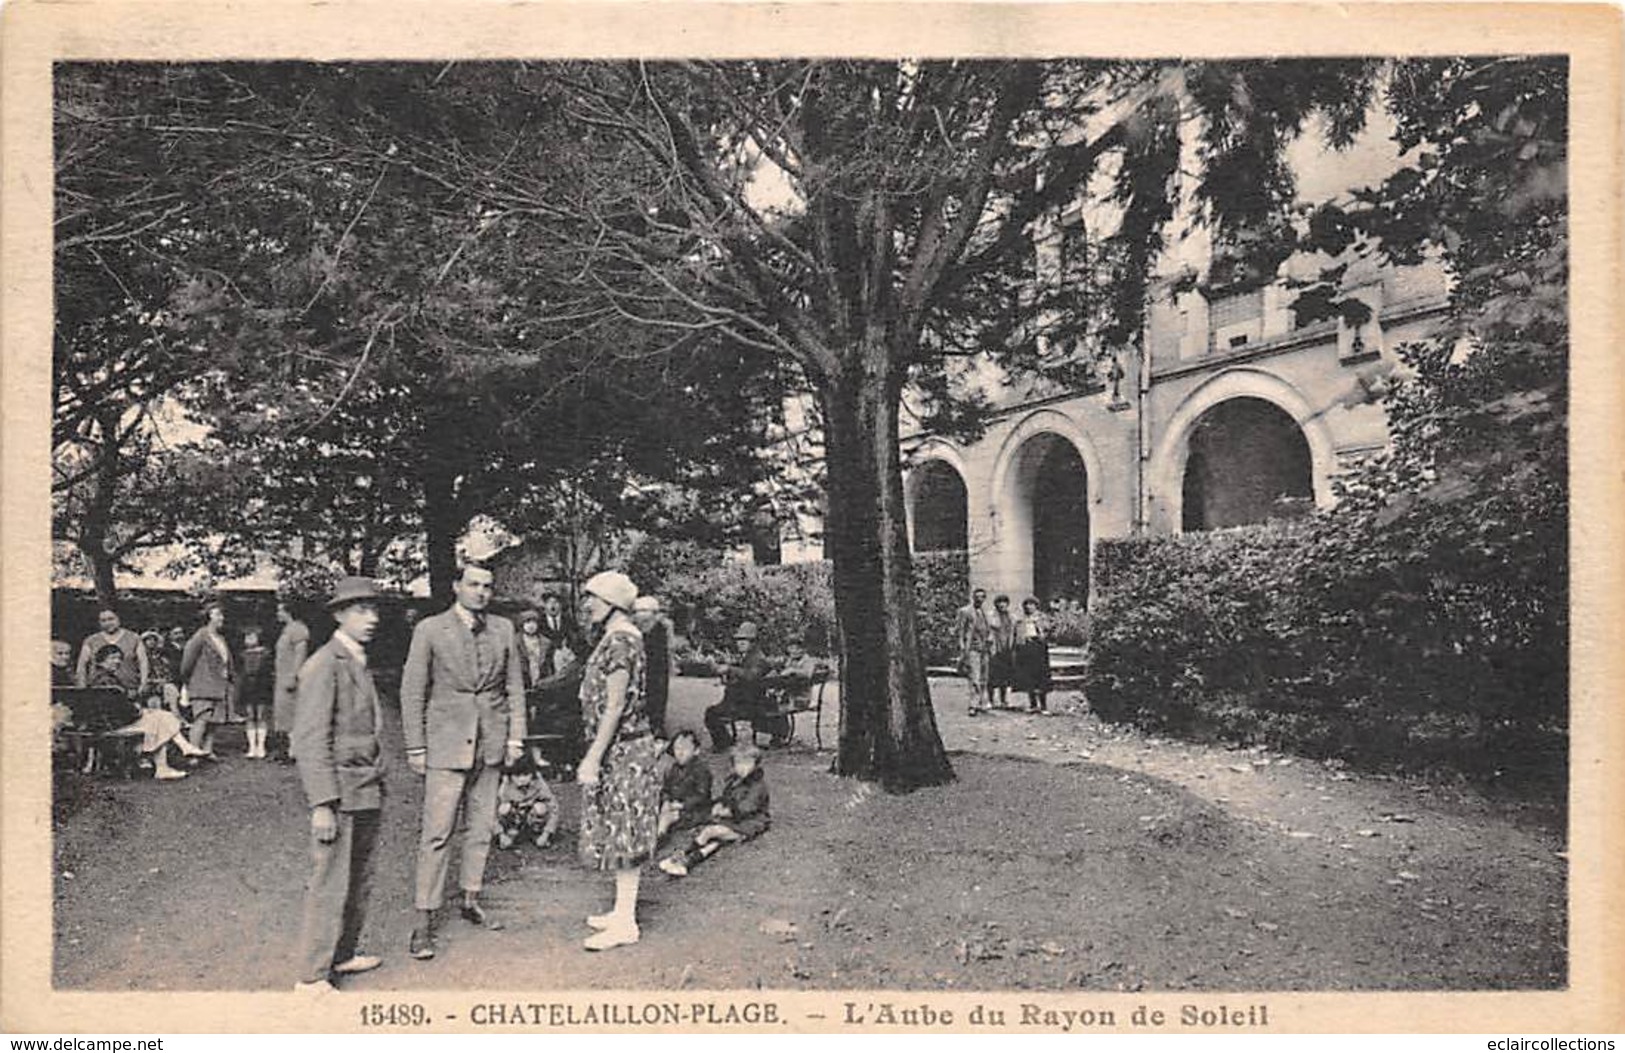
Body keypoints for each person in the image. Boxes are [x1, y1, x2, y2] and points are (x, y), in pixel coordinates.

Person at [400, 561, 526, 961]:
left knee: (481, 827)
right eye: (473, 584)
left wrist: (515, 736)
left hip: (490, 742)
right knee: (437, 833)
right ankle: (424, 920)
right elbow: (412, 691)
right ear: (456, 586)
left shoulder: (504, 629)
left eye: (487, 585)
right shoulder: (430, 630)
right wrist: (416, 746)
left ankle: (471, 898)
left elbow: (515, 687)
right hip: (445, 745)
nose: (481, 592)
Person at [292, 576, 388, 993]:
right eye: (360, 610)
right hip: (340, 792)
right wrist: (323, 803)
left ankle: (343, 954)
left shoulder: (355, 659)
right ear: (338, 615)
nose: (371, 619)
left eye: (374, 609)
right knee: (330, 882)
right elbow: (310, 738)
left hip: (366, 785)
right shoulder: (323, 665)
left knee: (358, 877)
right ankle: (312, 977)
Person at [575, 570, 661, 951]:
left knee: (626, 830)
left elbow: (615, 705)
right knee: (618, 828)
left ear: (611, 603)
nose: (587, 604)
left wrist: (592, 758)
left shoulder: (622, 641)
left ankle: (626, 923)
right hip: (620, 748)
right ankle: (621, 910)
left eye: (593, 597)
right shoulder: (615, 637)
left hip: (626, 749)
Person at [85, 643, 206, 779]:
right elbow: (120, 709)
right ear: (102, 660)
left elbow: (117, 706)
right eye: (112, 658)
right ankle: (170, 759)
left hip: (108, 722)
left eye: (119, 658)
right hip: (114, 724)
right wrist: (139, 712)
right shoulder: (106, 681)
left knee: (161, 718)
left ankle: (176, 754)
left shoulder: (97, 677)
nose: (117, 661)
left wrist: (139, 710)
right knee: (161, 719)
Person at [657, 742, 770, 878]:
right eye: (739, 763)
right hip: (735, 820)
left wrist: (727, 811)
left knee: (712, 832)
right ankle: (684, 857)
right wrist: (720, 803)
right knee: (711, 838)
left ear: (755, 764)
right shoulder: (734, 781)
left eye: (747, 763)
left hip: (750, 822)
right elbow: (727, 797)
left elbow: (747, 807)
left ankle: (687, 860)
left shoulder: (758, 786)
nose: (742, 768)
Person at [702, 622, 772, 752]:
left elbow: (751, 676)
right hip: (742, 701)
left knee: (711, 713)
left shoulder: (759, 659)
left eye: (744, 641)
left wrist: (730, 669)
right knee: (713, 711)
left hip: (749, 704)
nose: (740, 643)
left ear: (754, 642)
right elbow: (741, 674)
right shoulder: (750, 657)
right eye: (739, 640)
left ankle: (723, 744)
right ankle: (725, 742)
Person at [179, 601, 236, 758]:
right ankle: (192, 752)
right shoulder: (200, 637)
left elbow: (226, 661)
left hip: (220, 685)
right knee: (201, 719)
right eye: (218, 614)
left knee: (214, 721)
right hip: (203, 685)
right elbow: (187, 662)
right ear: (209, 616)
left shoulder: (221, 638)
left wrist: (230, 678)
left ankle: (207, 750)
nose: (221, 618)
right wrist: (189, 681)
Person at [76, 607, 149, 697]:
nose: (108, 623)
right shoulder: (91, 640)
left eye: (111, 619)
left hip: (129, 689)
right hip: (98, 690)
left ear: (118, 619)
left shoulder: (134, 638)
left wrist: (143, 683)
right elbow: (82, 665)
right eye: (103, 620)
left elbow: (143, 662)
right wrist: (82, 689)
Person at [272, 599, 312, 765]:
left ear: (289, 611)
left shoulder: (299, 630)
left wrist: (294, 676)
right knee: (283, 715)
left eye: (280, 610)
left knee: (292, 715)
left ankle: (294, 752)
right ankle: (287, 750)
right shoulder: (287, 630)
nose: (278, 613)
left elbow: (300, 655)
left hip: (291, 678)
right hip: (282, 677)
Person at [494, 754, 559, 850]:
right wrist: (500, 834)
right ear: (510, 775)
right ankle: (510, 833)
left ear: (532, 774)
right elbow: (491, 813)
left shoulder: (538, 783)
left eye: (526, 775)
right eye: (517, 775)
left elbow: (554, 808)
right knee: (504, 808)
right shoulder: (505, 786)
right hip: (514, 819)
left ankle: (536, 833)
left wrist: (546, 833)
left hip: (532, 819)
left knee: (540, 807)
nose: (522, 779)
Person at [657, 730, 712, 840]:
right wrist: (667, 801)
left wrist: (682, 805)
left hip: (695, 810)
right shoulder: (674, 768)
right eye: (677, 748)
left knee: (666, 818)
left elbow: (702, 795)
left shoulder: (701, 770)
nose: (680, 753)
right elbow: (666, 788)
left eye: (685, 749)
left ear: (696, 751)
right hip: (674, 805)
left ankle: (658, 839)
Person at [630, 596, 673, 737]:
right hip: (646, 667)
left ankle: (656, 727)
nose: (638, 615)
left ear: (654, 614)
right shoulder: (639, 628)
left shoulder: (659, 629)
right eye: (636, 611)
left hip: (656, 669)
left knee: (657, 697)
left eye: (642, 611)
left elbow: (661, 653)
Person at [953, 588, 993, 716]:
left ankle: (983, 703)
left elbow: (989, 629)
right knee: (974, 677)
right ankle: (973, 705)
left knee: (984, 677)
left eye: (982, 597)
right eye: (977, 597)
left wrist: (990, 639)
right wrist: (962, 646)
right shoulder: (965, 611)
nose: (979, 599)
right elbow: (960, 630)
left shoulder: (985, 612)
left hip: (984, 648)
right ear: (973, 597)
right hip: (972, 648)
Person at [1013, 597, 1053, 714]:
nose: (1029, 607)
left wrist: (1039, 627)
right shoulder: (1021, 619)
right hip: (1026, 648)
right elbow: (1017, 634)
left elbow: (1048, 630)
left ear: (1036, 605)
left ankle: (1044, 705)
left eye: (1031, 604)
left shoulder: (1042, 617)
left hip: (1039, 648)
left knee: (1041, 676)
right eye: (1027, 604)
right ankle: (1033, 704)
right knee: (1029, 676)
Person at [240, 626, 273, 759]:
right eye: (247, 637)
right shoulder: (242, 655)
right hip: (247, 687)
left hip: (261, 686)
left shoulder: (265, 653)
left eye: (252, 636)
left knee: (261, 715)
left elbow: (268, 671)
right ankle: (252, 746)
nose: (249, 639)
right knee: (249, 715)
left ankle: (261, 746)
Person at [987, 594, 1017, 710]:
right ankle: (990, 700)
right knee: (992, 676)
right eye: (1000, 602)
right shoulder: (990, 616)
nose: (1002, 604)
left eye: (1004, 602)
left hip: (1007, 650)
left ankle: (1004, 700)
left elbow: (1014, 633)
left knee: (1005, 676)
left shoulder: (1012, 617)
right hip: (995, 649)